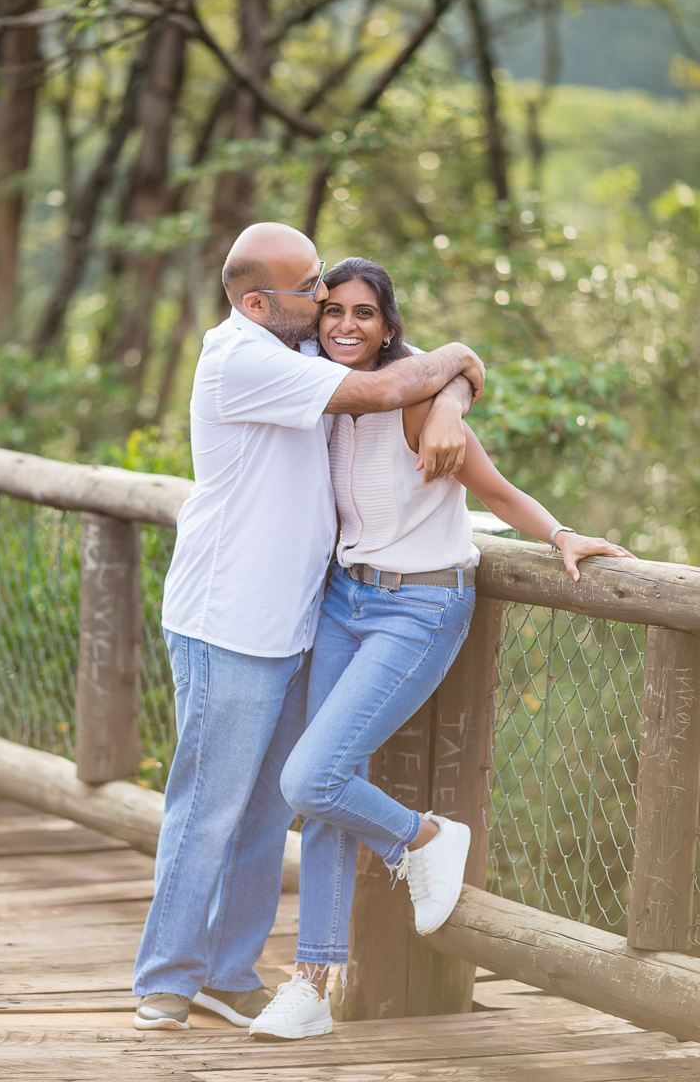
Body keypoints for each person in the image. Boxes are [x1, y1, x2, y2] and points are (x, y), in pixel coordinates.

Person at [247, 257, 634, 1040]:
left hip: (420, 607)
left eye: (364, 314)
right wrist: (459, 376)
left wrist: (559, 533)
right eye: (332, 313)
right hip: (342, 600)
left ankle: (424, 837)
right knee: (323, 786)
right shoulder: (317, 391)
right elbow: (459, 364)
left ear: (390, 327)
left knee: (311, 777)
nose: (345, 326)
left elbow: (494, 489)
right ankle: (314, 984)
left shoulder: (419, 404)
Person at [131, 225, 486, 1031]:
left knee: (266, 808)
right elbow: (386, 390)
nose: (326, 298)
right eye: (311, 288)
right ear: (257, 302)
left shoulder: (299, 358)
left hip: (296, 621)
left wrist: (454, 395)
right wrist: (461, 354)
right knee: (209, 804)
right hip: (231, 622)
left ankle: (227, 971)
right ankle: (167, 977)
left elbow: (399, 368)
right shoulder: (241, 358)